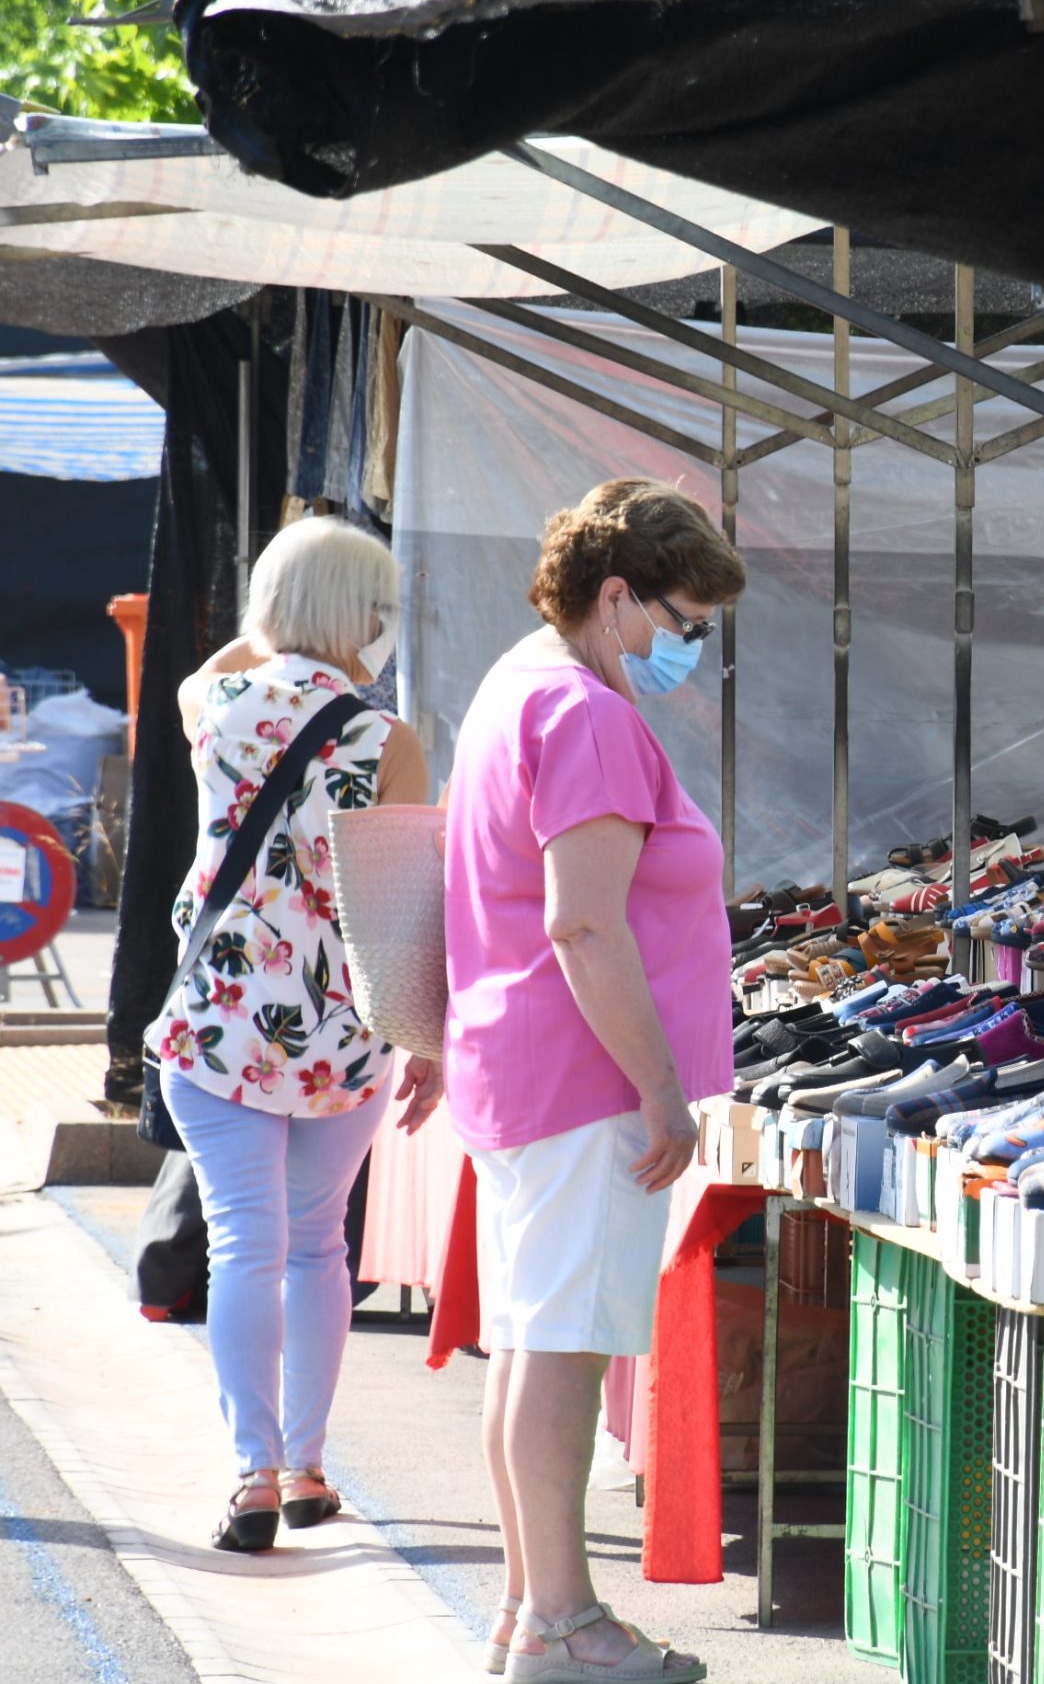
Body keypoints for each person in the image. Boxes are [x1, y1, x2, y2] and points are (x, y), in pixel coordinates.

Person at [431, 477, 743, 1683]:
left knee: (530, 1344)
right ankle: (564, 1623)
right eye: (686, 618)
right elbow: (587, 928)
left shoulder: (519, 682)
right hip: (583, 1077)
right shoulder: (589, 716)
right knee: (557, 1349)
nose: (692, 645)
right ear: (619, 598)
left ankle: (531, 1611)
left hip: (520, 1068)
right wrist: (663, 1091)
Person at [148, 516, 435, 1551]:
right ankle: (310, 1466)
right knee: (320, 1246)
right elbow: (411, 904)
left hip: (219, 1020)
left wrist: (272, 624)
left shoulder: (212, 704)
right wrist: (429, 1039)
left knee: (243, 1246)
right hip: (341, 1034)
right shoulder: (387, 739)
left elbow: (218, 664)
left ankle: (253, 1477)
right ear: (366, 615)